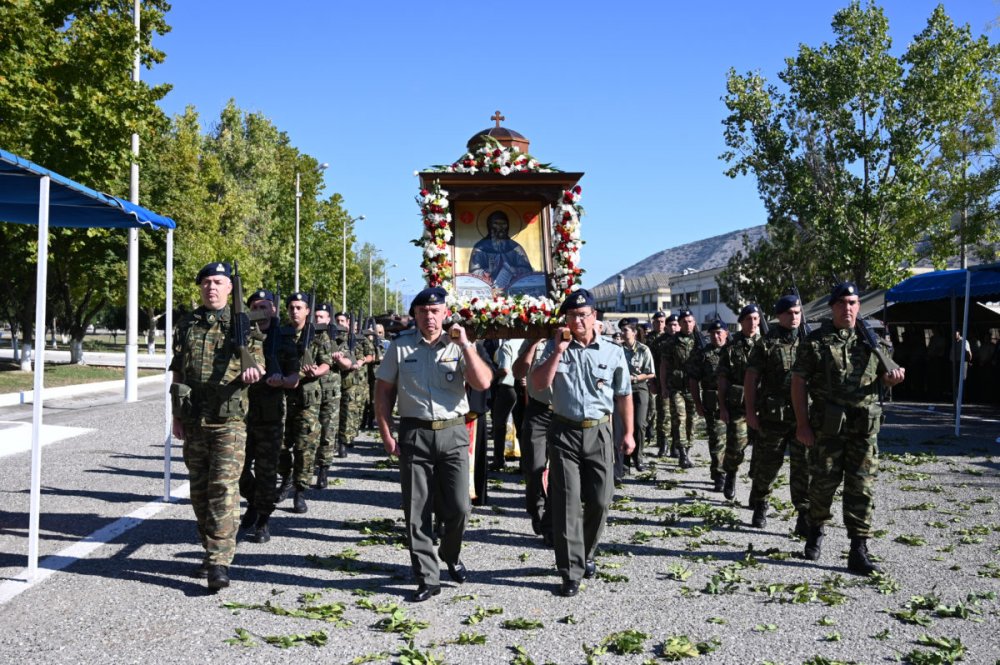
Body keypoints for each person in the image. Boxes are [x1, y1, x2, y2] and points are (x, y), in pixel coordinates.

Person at [374, 287, 493, 602]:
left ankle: (450, 553)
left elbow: (482, 383)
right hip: (415, 432)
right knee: (417, 509)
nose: (429, 317)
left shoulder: (459, 347)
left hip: (453, 431)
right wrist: (386, 433)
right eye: (424, 311)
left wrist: (466, 344)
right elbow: (383, 392)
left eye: (436, 311)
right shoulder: (399, 348)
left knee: (459, 506)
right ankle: (427, 576)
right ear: (415, 314)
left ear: (445, 314)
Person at [792, 282, 905, 575]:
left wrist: (892, 379)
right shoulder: (815, 342)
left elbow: (886, 376)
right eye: (842, 303)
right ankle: (815, 529)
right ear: (832, 307)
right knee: (822, 486)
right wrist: (802, 424)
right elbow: (798, 383)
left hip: (864, 428)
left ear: (859, 306)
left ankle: (858, 549)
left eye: (853, 302)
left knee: (862, 488)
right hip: (827, 428)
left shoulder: (873, 341)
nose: (848, 308)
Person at [531, 289, 634, 597]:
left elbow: (624, 394)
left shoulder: (613, 351)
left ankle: (586, 552)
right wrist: (559, 351)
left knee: (601, 501)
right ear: (566, 319)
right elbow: (537, 385)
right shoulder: (553, 347)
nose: (578, 320)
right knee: (566, 503)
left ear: (594, 317)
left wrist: (627, 433)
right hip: (564, 432)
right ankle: (570, 570)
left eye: (584, 314)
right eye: (573, 315)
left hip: (600, 431)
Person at [170, 261, 261, 591]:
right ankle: (211, 551)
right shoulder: (187, 325)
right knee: (200, 493)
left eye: (218, 282)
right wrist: (176, 417)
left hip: (229, 421)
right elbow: (178, 371)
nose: (212, 287)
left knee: (223, 488)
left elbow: (259, 362)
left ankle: (220, 562)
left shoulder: (245, 325)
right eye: (207, 282)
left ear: (230, 289)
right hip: (194, 419)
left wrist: (254, 370)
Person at [744, 295, 810, 533]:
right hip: (773, 417)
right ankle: (760, 502)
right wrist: (750, 412)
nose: (794, 317)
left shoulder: (809, 341)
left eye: (797, 313)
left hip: (803, 416)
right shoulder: (766, 343)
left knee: (803, 468)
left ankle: (803, 513)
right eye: (789, 313)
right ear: (779, 315)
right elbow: (751, 379)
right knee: (767, 465)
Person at [239, 289, 300, 544]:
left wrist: (282, 381)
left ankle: (263, 519)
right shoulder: (240, 335)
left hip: (270, 415)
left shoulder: (284, 339)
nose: (261, 311)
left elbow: (295, 378)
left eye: (266, 306)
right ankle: (254, 501)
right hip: (240, 414)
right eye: (256, 306)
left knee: (266, 471)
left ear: (274, 310)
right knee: (238, 470)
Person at [276, 293, 341, 514]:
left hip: (308, 399)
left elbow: (327, 363)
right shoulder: (279, 333)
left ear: (307, 311)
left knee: (305, 447)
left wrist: (316, 371)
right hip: (283, 397)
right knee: (280, 446)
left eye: (299, 307)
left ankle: (300, 491)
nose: (294, 311)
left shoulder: (318, 334)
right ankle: (285, 478)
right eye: (291, 307)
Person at [716, 304, 761, 501]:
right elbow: (723, 379)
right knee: (736, 446)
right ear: (741, 322)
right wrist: (723, 407)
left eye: (756, 319)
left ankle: (757, 489)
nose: (752, 323)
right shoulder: (731, 347)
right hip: (738, 406)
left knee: (761, 452)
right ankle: (731, 475)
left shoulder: (766, 344)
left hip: (763, 406)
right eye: (748, 319)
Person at [514, 337, 553, 543]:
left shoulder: (574, 337)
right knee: (534, 466)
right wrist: (532, 345)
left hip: (566, 412)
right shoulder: (534, 340)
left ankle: (552, 522)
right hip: (539, 410)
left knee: (563, 471)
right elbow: (518, 372)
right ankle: (536, 509)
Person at [312, 304, 351, 487]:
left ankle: (323, 469)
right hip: (310, 392)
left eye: (322, 317)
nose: (318, 320)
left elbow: (347, 364)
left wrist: (338, 359)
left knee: (327, 432)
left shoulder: (337, 339)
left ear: (328, 320)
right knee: (310, 431)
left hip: (330, 393)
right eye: (316, 316)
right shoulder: (307, 337)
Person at [687, 320, 728, 489]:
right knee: (717, 438)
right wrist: (697, 402)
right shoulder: (703, 354)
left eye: (719, 333)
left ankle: (729, 471)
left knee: (734, 441)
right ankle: (720, 474)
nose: (716, 336)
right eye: (712, 334)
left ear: (726, 333)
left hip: (735, 401)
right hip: (713, 402)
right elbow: (693, 380)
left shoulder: (734, 350)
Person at [660, 309, 698, 468]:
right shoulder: (671, 343)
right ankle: (682, 453)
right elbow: (664, 366)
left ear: (694, 322)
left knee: (692, 421)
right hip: (676, 387)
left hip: (694, 388)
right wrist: (663, 387)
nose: (687, 324)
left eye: (690, 321)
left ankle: (687, 450)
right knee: (680, 419)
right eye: (684, 322)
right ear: (679, 324)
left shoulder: (699, 340)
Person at [468, 210, 533, 289]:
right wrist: (488, 271)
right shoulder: (480, 248)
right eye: (496, 224)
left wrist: (514, 270)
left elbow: (527, 270)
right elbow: (473, 272)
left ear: (508, 226)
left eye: (503, 224)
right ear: (489, 226)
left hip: (513, 289)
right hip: (487, 290)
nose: (500, 227)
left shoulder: (515, 248)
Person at [621, 322, 656, 472]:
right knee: (624, 424)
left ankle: (638, 457)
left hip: (639, 387)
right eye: (621, 330)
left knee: (640, 424)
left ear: (634, 333)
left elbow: (651, 373)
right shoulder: (618, 349)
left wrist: (635, 378)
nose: (622, 333)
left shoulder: (643, 350)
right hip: (622, 389)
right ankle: (625, 460)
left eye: (626, 330)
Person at [489, 338, 519, 471]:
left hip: (507, 386)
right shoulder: (525, 342)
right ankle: (525, 464)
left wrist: (490, 374)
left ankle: (498, 460)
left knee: (499, 424)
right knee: (520, 425)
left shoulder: (507, 345)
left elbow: (505, 370)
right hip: (521, 387)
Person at [645, 312, 672, 457]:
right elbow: (650, 363)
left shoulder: (671, 339)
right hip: (657, 379)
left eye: (662, 322)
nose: (660, 324)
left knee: (674, 415)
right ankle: (663, 443)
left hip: (672, 381)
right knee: (662, 414)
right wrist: (652, 381)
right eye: (657, 322)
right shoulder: (650, 340)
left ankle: (675, 445)